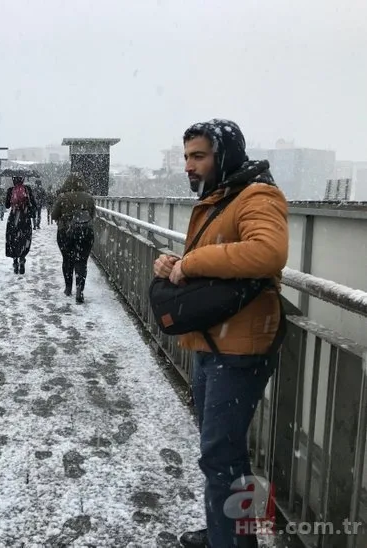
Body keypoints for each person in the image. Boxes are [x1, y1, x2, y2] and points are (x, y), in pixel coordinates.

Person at [153, 119, 289, 548]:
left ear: (224, 155)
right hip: (216, 345)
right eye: (187, 157)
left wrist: (189, 265)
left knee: (219, 456)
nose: (190, 166)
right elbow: (220, 258)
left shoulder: (257, 195)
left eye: (199, 156)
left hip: (239, 350)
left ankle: (227, 540)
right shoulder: (222, 198)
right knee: (228, 456)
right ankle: (229, 535)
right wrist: (174, 262)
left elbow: (268, 252)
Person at [50, 173, 95, 303]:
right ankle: (80, 290)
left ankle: (68, 288)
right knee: (81, 261)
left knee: (67, 260)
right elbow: (92, 215)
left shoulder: (62, 197)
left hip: (66, 232)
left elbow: (54, 215)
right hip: (86, 232)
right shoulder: (89, 197)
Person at [5, 176, 37, 274]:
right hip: (24, 218)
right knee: (24, 238)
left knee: (13, 239)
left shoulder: (10, 190)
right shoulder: (27, 190)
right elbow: (33, 204)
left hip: (13, 218)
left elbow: (7, 205)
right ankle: (22, 259)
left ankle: (15, 261)